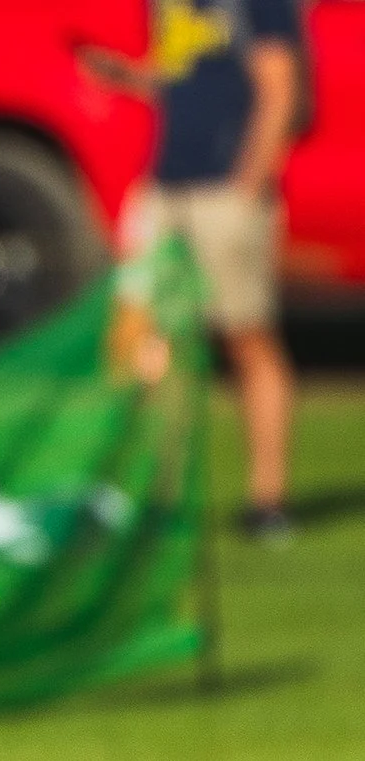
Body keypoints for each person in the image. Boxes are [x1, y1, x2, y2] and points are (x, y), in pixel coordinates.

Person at [86, 0, 305, 539]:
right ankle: (143, 496)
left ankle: (267, 501)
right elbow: (182, 78)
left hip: (226, 188)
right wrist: (123, 76)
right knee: (136, 335)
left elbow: (279, 85)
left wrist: (250, 182)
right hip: (165, 184)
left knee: (245, 336)